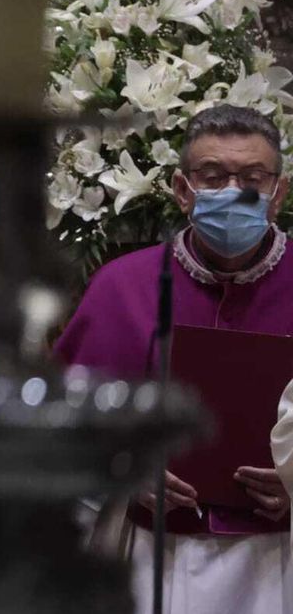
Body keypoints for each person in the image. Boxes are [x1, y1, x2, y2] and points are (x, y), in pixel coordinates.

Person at [57, 103, 293, 614]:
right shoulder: (122, 287)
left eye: (253, 177)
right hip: (152, 553)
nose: (234, 192)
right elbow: (63, 423)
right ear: (183, 191)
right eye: (213, 177)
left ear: (279, 193)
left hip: (283, 555)